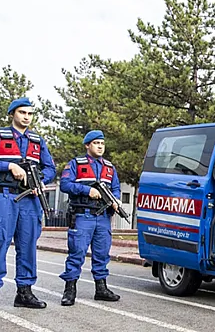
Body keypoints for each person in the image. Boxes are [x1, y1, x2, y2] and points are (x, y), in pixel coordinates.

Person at [0, 97, 56, 315]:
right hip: (4, 197)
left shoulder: (37, 141)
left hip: (30, 198)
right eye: (22, 113)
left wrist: (41, 182)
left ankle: (25, 293)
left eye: (30, 113)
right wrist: (8, 165)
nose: (26, 117)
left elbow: (50, 168)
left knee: (28, 245)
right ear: (13, 114)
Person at [59, 129, 121, 305]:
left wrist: (115, 200)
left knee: (102, 253)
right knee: (77, 252)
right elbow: (65, 184)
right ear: (88, 145)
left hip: (103, 217)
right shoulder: (75, 164)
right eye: (96, 143)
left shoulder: (109, 168)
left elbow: (115, 188)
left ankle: (101, 288)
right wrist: (87, 190)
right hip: (82, 215)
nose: (100, 146)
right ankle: (70, 290)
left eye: (102, 143)